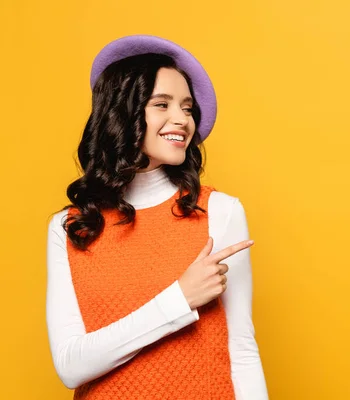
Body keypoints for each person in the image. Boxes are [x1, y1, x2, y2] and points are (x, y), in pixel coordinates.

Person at [45, 35, 269, 399]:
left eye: (187, 107)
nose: (182, 119)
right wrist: (180, 298)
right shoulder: (71, 227)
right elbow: (71, 366)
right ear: (122, 112)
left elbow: (242, 349)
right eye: (161, 104)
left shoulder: (220, 212)